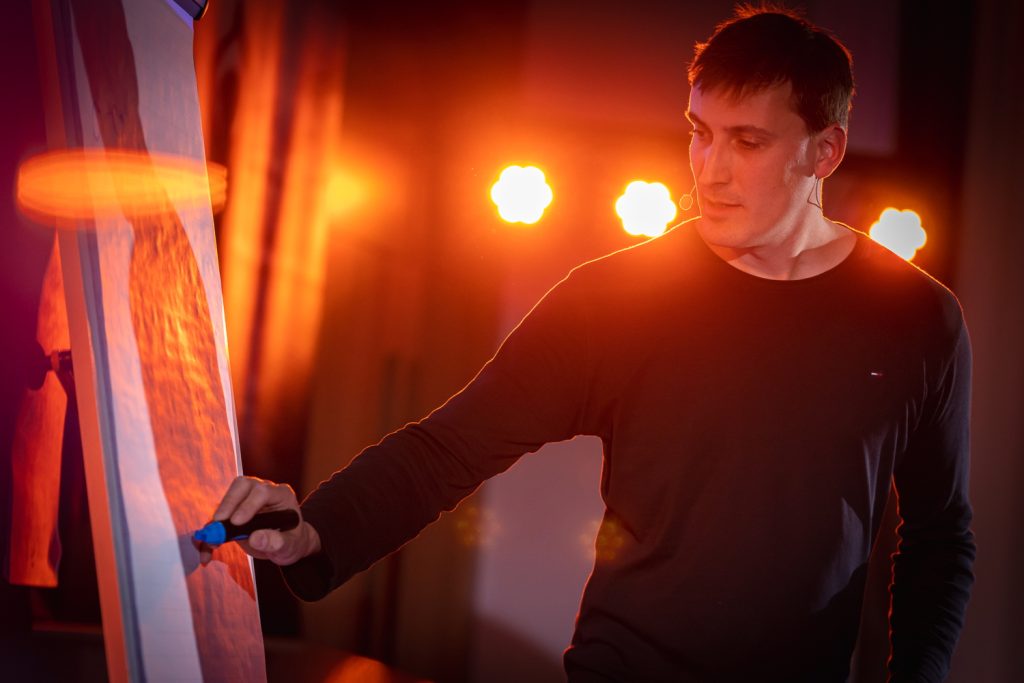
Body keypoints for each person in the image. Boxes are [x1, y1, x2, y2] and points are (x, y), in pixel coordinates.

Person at [203, 7, 974, 682]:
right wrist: (315, 531)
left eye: (748, 141)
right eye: (700, 133)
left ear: (825, 151)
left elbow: (939, 537)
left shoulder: (915, 318)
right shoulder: (616, 298)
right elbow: (448, 449)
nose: (711, 170)